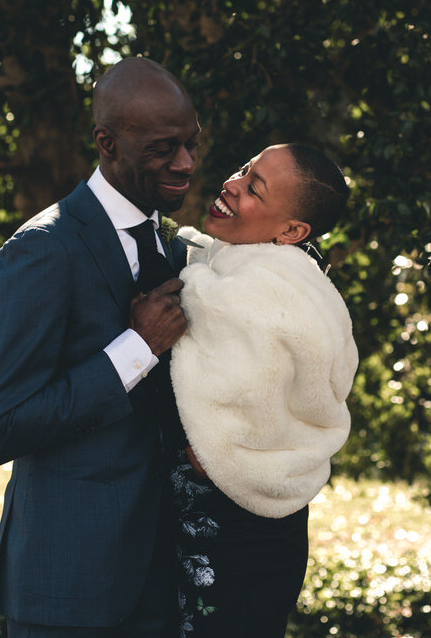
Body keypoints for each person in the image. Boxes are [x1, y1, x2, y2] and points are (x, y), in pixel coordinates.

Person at [0, 56, 200, 637]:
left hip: (165, 586)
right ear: (107, 142)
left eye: (192, 144)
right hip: (67, 593)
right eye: (163, 148)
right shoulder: (41, 250)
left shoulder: (174, 248)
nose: (186, 164)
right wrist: (138, 347)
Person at [166, 143, 358, 637]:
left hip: (234, 526)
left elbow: (202, 307)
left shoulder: (260, 289)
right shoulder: (294, 274)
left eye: (254, 188)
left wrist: (201, 454)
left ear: (292, 231)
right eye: (243, 170)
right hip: (269, 516)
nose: (232, 184)